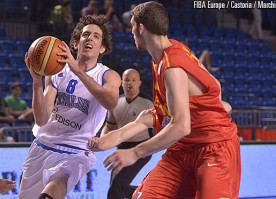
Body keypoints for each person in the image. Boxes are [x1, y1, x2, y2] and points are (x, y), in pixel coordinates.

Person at [89, 2, 240, 199]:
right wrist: (99, 143)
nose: (131, 32)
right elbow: (215, 87)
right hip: (181, 152)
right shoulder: (169, 53)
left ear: (141, 28)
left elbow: (181, 127)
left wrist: (134, 153)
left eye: (132, 26)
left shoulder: (172, 68)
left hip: (214, 151)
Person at [19, 14, 121, 199]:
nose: (89, 38)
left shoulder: (108, 76)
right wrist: (37, 82)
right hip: (42, 146)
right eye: (85, 34)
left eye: (96, 36)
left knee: (52, 191)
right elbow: (41, 119)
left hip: (76, 151)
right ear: (75, 43)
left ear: (102, 48)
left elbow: (111, 102)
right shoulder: (57, 72)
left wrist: (77, 70)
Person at [100, 68, 153, 199]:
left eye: (134, 80)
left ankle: (146, 193)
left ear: (139, 83)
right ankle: (144, 193)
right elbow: (109, 126)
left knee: (116, 188)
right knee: (116, 189)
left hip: (141, 149)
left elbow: (160, 130)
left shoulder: (148, 103)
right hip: (122, 148)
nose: (130, 83)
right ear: (122, 83)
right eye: (127, 80)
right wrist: (101, 142)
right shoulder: (116, 103)